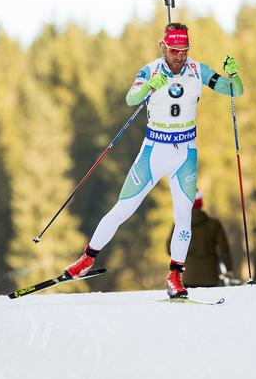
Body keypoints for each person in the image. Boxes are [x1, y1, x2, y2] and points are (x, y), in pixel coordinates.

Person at [64, 22, 244, 298]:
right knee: (123, 208)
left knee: (184, 218)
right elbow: (130, 98)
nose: (179, 56)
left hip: (185, 152)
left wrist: (234, 75)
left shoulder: (198, 70)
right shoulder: (150, 70)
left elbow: (235, 91)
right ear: (164, 47)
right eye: (174, 50)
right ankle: (87, 259)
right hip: (154, 150)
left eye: (184, 50)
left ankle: (175, 276)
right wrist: (149, 85)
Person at [166, 190, 234, 287]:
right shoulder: (214, 224)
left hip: (188, 276)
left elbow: (170, 249)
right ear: (201, 203)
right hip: (210, 276)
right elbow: (224, 249)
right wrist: (229, 269)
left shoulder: (180, 224)